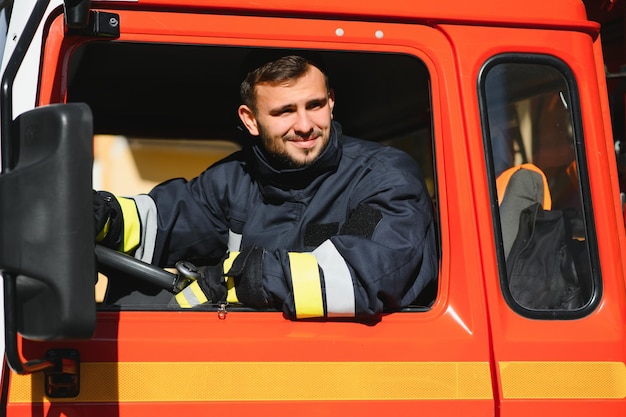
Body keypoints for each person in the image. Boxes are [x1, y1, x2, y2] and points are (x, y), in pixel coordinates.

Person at [94, 54, 438, 321]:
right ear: (250, 119)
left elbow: (365, 276)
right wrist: (102, 216)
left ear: (331, 101)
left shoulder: (382, 175)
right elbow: (166, 221)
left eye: (315, 105)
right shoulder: (235, 178)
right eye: (284, 111)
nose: (305, 125)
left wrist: (249, 277)